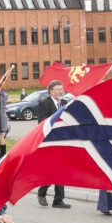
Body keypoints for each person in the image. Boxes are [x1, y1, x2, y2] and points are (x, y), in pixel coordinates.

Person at [36, 80, 70, 209]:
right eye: (57, 89)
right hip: (50, 141)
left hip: (63, 141)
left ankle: (58, 200)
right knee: (52, 169)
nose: (61, 91)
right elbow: (42, 123)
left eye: (62, 89)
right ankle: (42, 192)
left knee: (60, 170)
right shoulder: (44, 104)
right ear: (51, 91)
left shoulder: (65, 103)